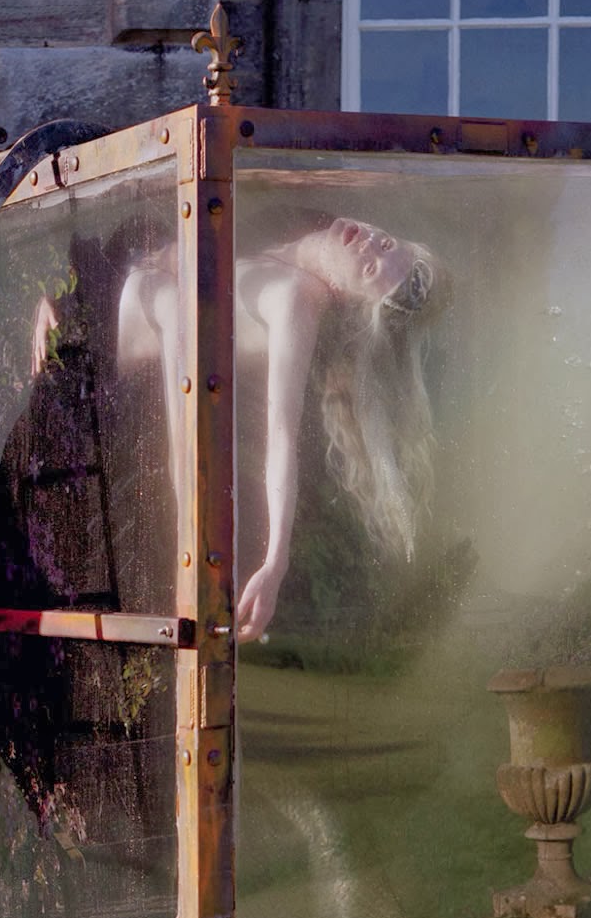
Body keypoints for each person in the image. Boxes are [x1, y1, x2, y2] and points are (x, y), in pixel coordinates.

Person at [113, 216, 449, 639]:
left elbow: (282, 438)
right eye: (385, 243)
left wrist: (275, 562)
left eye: (369, 269)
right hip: (106, 315)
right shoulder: (295, 244)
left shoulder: (297, 297)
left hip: (111, 381)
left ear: (348, 298)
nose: (368, 244)